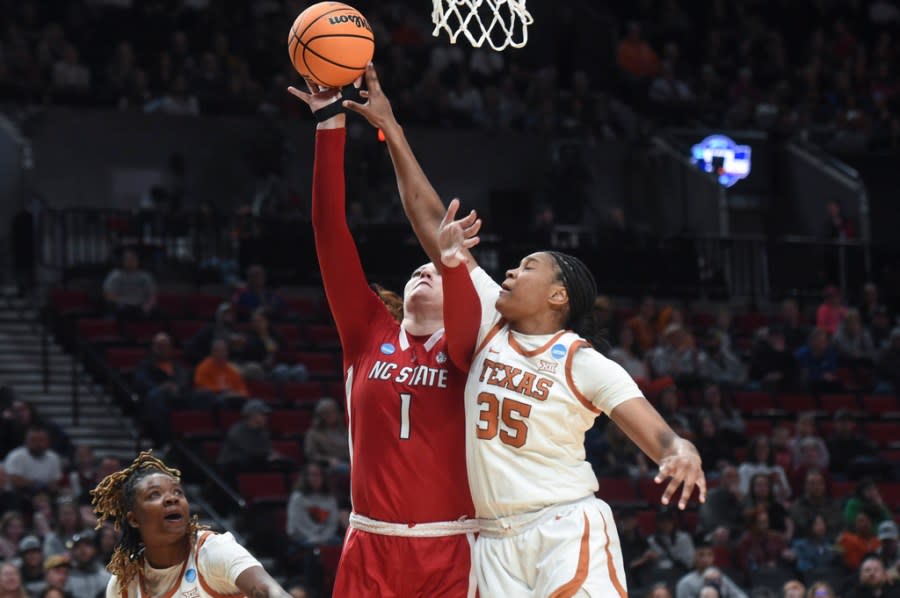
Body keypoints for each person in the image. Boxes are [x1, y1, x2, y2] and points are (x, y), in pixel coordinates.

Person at [342, 62, 705, 596]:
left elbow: (658, 434)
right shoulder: (488, 320)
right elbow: (432, 223)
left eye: (528, 266)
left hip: (563, 523)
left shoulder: (581, 361)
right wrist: (391, 130)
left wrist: (681, 452)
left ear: (559, 295)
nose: (510, 271)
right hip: (492, 542)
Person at [288, 74, 477, 597]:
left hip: (452, 547)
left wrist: (455, 260)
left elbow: (459, 275)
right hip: (370, 545)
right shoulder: (367, 332)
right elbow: (329, 232)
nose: (424, 270)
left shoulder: (471, 345)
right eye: (419, 267)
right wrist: (330, 123)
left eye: (436, 270)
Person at [91, 451, 291, 598]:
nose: (172, 499)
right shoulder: (124, 585)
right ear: (133, 519)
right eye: (155, 494)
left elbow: (269, 591)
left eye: (178, 492)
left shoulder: (212, 551)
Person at [3, 426, 63, 497]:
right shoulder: (16, 456)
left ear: (47, 442)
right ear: (26, 441)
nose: (37, 443)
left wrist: (47, 487)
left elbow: (56, 480)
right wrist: (35, 484)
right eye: (33, 440)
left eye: (41, 440)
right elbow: (13, 479)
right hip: (18, 494)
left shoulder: (53, 457)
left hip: (45, 495)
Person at [102, 249, 157, 320]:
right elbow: (108, 295)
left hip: (141, 307)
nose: (131, 262)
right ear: (123, 261)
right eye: (128, 259)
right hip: (122, 307)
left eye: (133, 259)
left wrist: (148, 306)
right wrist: (123, 303)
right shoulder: (115, 275)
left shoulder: (145, 276)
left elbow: (152, 295)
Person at [67, 529, 111, 598]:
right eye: (77, 546)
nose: (82, 549)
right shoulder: (66, 578)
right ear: (72, 552)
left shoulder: (106, 577)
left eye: (87, 545)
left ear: (95, 549)